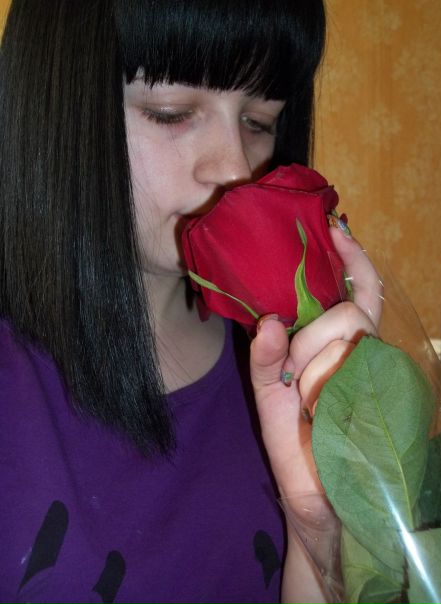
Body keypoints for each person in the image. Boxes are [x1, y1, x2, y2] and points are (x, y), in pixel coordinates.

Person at [0, 1, 381, 602]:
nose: (233, 169)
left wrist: (328, 519)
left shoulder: (281, 364)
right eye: (171, 112)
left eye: (258, 121)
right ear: (54, 106)